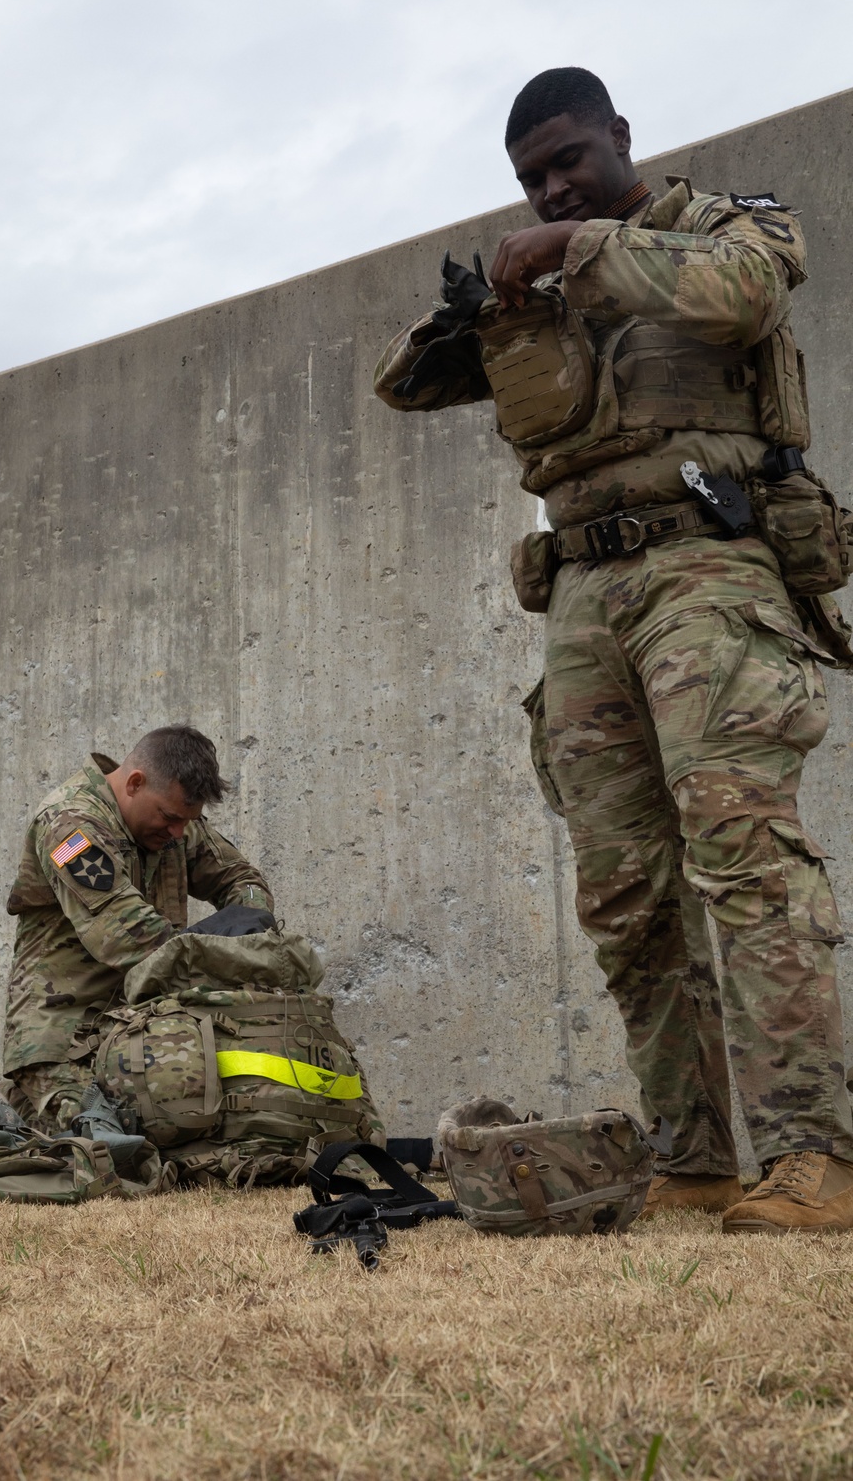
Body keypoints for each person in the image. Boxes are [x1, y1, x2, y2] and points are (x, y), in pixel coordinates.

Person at [374, 67, 853, 1233]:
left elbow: (745, 293)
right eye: (531, 180)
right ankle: (693, 1154)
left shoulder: (721, 226)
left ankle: (814, 1159)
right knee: (625, 891)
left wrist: (579, 244)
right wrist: (477, 308)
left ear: (618, 138)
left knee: (739, 850)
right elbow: (406, 386)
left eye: (567, 163)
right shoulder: (533, 277)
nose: (549, 189)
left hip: (708, 566)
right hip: (583, 589)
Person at [3, 724, 273, 1131]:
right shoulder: (69, 826)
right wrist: (230, 953)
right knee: (110, 1144)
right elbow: (130, 936)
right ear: (134, 783)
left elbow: (242, 881)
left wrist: (250, 922)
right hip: (67, 1044)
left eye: (188, 821)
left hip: (145, 1035)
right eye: (170, 817)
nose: (178, 833)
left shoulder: (173, 823)